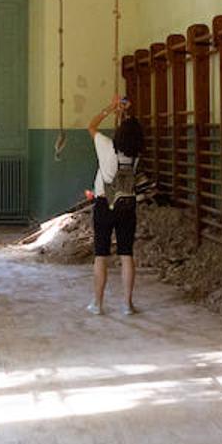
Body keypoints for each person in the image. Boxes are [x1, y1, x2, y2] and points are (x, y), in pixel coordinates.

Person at [87, 94, 144, 315]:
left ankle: (98, 304)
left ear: (119, 132)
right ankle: (127, 304)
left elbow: (91, 126)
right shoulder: (135, 155)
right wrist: (126, 115)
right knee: (126, 253)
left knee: (101, 254)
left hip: (104, 204)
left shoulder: (105, 146)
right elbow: (131, 134)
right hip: (128, 205)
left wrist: (111, 109)